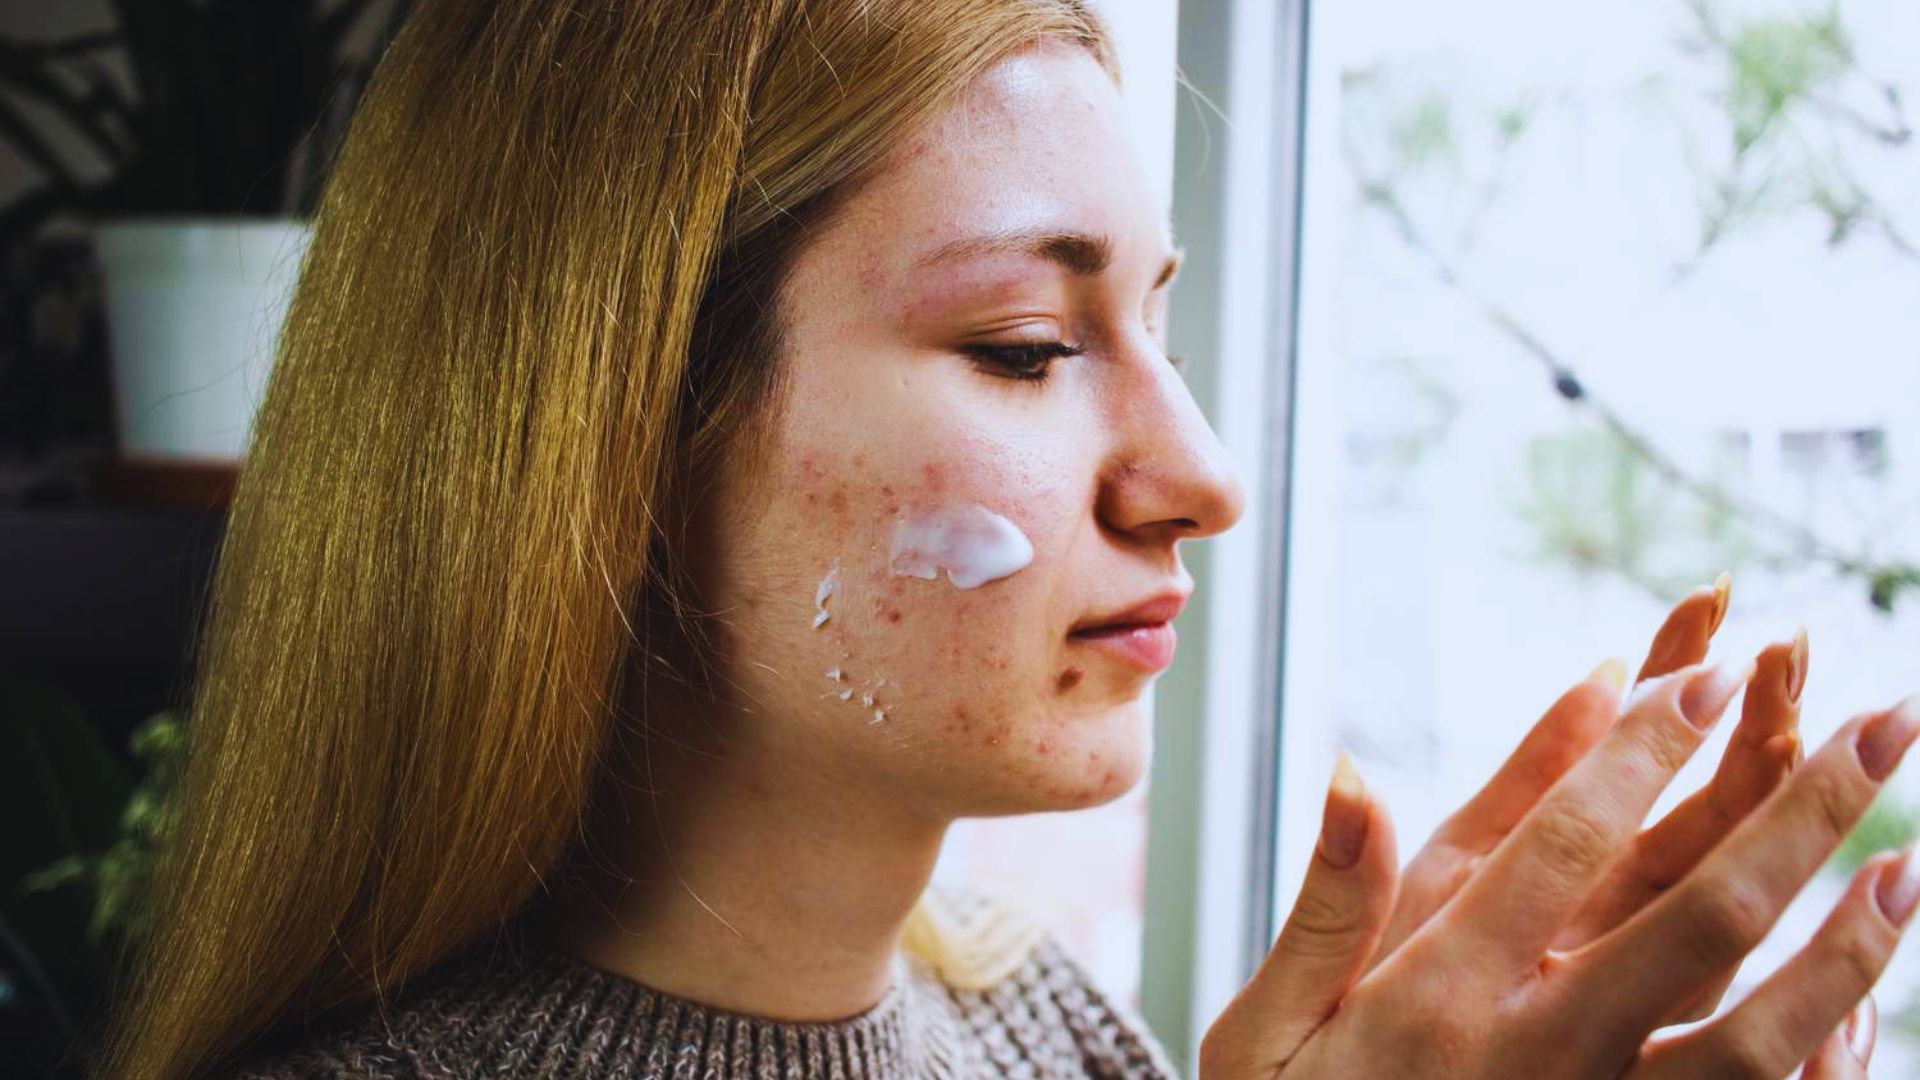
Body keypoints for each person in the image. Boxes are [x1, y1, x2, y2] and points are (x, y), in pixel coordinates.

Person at [90, 1, 1917, 1077]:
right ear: (606, 444)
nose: (1198, 471)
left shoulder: (1034, 1018)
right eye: (1028, 349)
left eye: (1164, 327)